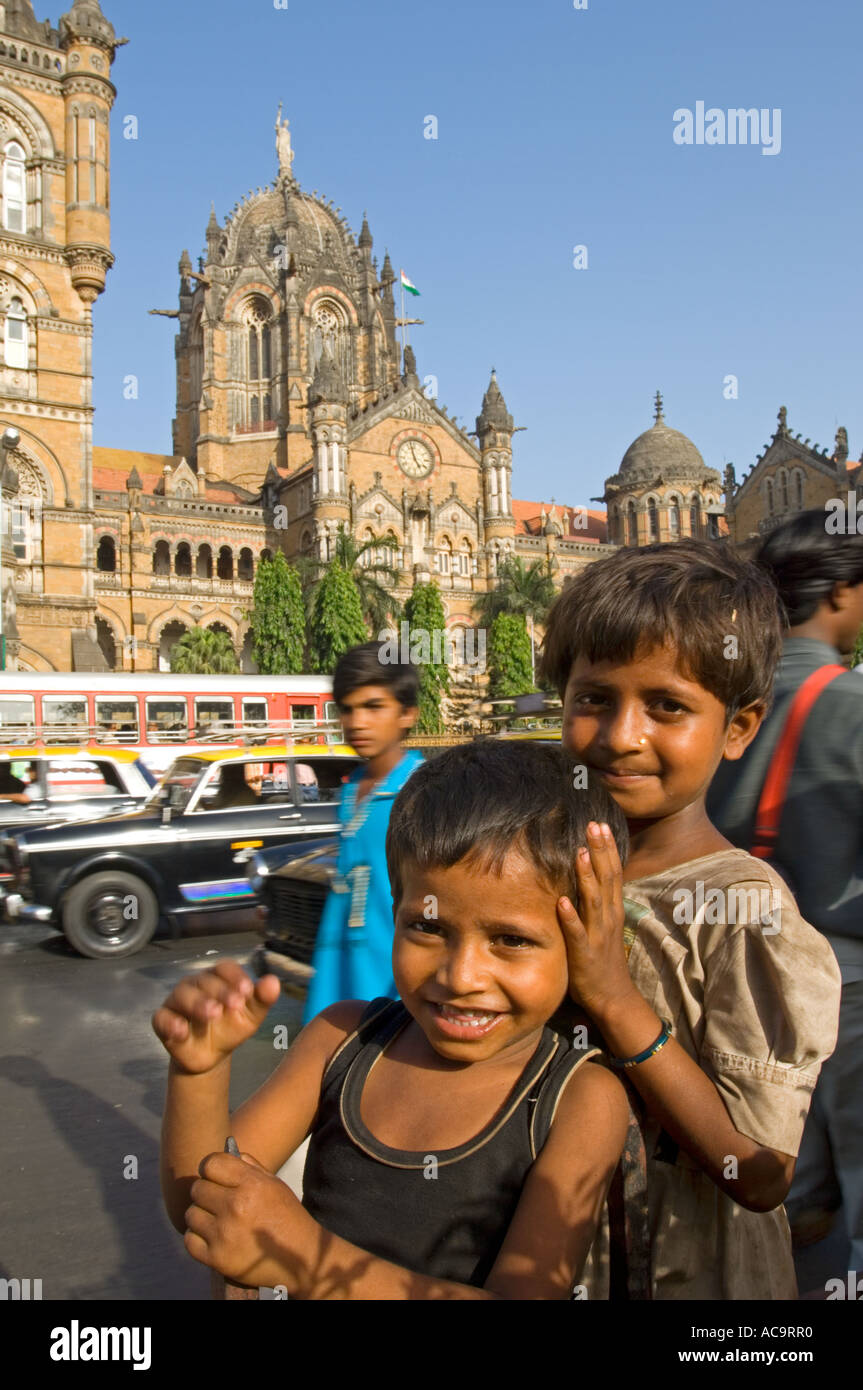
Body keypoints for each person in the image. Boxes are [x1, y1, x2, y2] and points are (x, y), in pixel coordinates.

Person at [153, 741, 635, 1298]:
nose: (460, 976)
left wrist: (307, 1259)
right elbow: (204, 1206)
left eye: (511, 940)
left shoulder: (581, 1100)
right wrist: (197, 1073)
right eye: (428, 928)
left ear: (582, 947)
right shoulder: (340, 1039)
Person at [536, 538, 843, 1300]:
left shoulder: (745, 912)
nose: (619, 736)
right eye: (593, 699)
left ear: (738, 728)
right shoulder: (542, 862)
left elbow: (762, 1174)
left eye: (666, 706)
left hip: (689, 1274)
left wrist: (613, 999)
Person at [707, 510, 863, 1271]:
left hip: (739, 987)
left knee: (779, 1200)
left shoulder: (723, 709)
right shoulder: (852, 704)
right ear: (837, 595)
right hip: (846, 990)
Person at [301, 642, 424, 1023]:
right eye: (348, 710)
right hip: (338, 978)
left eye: (373, 707)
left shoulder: (421, 792)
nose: (357, 723)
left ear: (407, 714)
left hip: (394, 987)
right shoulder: (351, 788)